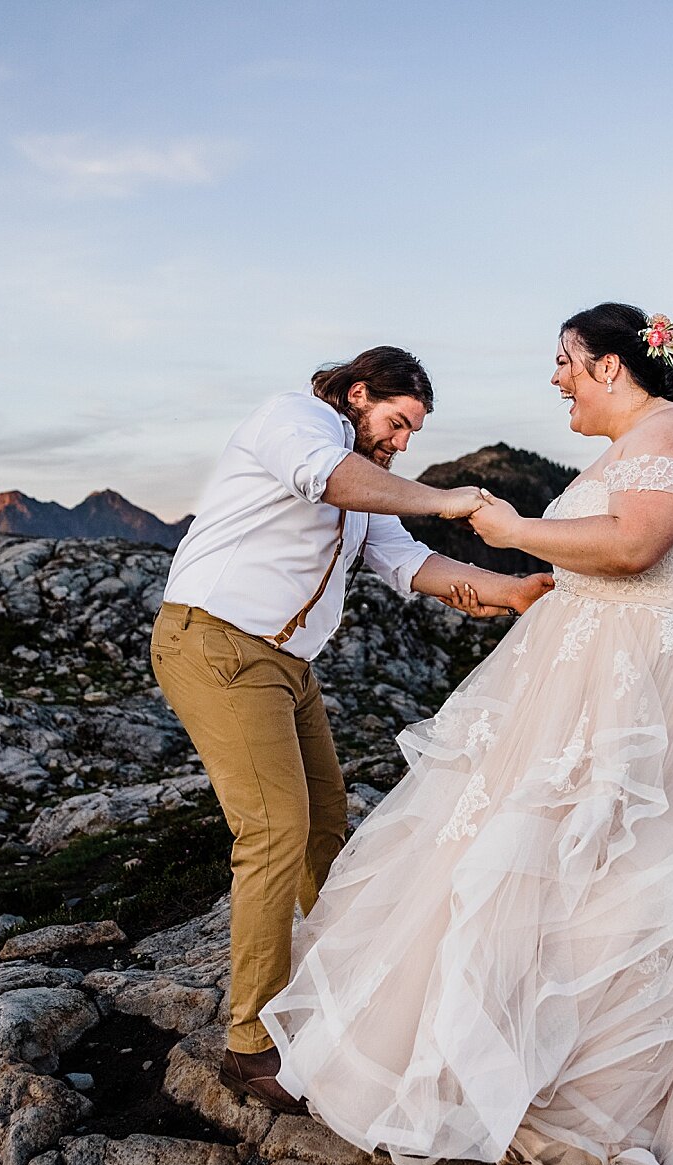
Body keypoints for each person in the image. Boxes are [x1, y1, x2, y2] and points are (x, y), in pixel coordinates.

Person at [260, 308, 673, 1165]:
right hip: (579, 678)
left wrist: (517, 527)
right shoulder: (632, 445)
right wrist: (522, 576)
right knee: (535, 868)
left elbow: (636, 547)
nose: (556, 379)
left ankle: (596, 1082)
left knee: (625, 879)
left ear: (610, 365)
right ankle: (520, 1060)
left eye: (564, 362)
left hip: (636, 688)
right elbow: (587, 553)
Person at [151, 345, 555, 1115]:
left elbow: (404, 560)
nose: (402, 443)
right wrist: (445, 497)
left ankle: (346, 994)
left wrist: (509, 592)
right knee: (274, 830)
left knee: (326, 827)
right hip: (216, 641)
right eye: (398, 424)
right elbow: (326, 478)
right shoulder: (296, 419)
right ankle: (248, 1045)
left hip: (284, 664)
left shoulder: (364, 478)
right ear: (359, 393)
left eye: (411, 435)